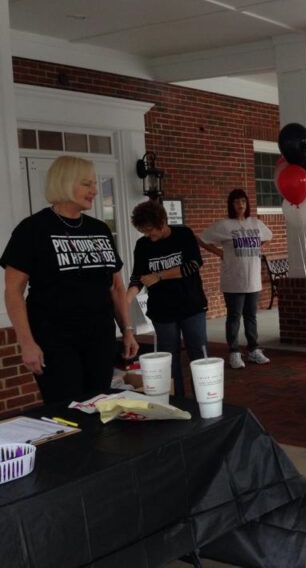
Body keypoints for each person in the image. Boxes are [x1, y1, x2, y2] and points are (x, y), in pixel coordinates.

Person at [0, 155, 138, 403]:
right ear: (64, 183)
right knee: (67, 409)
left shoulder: (100, 229)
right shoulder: (32, 229)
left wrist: (127, 330)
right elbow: (13, 291)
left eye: (94, 184)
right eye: (86, 184)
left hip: (100, 337)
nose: (94, 190)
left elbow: (116, 286)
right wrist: (27, 343)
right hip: (54, 340)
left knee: (98, 405)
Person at [127, 200, 207, 398]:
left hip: (191, 306)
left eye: (150, 230)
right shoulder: (143, 245)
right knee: (169, 360)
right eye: (143, 231)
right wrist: (125, 300)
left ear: (162, 221)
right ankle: (177, 402)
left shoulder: (183, 234)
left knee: (199, 357)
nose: (148, 236)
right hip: (162, 310)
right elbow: (138, 277)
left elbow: (193, 265)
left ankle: (203, 401)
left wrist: (159, 276)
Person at [198, 189, 273, 369]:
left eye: (243, 201)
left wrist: (256, 247)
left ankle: (253, 350)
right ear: (231, 204)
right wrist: (220, 253)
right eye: (237, 202)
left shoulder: (255, 223)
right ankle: (234, 352)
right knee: (234, 317)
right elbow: (202, 239)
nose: (241, 205)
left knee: (251, 317)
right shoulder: (224, 225)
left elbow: (268, 236)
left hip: (253, 280)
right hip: (233, 280)